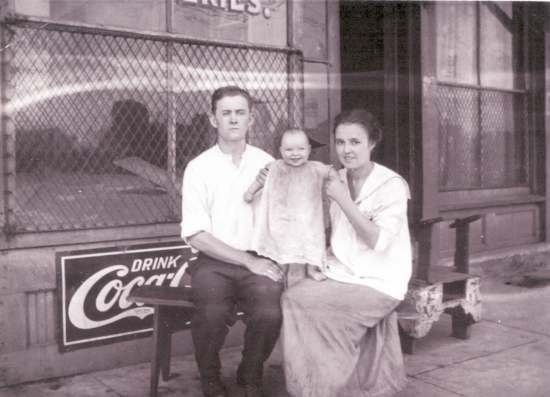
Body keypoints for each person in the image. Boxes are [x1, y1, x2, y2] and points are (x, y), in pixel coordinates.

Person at [282, 109, 412, 397]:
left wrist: (342, 199)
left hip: (381, 278)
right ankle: (313, 385)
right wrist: (318, 260)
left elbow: (377, 242)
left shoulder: (391, 185)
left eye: (355, 142)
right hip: (343, 270)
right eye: (340, 142)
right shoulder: (335, 177)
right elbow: (328, 232)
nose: (346, 150)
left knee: (322, 313)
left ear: (372, 143)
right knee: (294, 296)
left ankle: (327, 388)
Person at [180, 85, 285, 397]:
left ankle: (249, 373)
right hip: (214, 262)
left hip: (259, 258)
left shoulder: (268, 163)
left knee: (270, 312)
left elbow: (281, 218)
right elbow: (196, 234)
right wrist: (247, 260)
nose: (233, 119)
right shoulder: (199, 168)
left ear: (251, 119)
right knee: (211, 313)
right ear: (214, 120)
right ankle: (210, 378)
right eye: (226, 113)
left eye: (240, 113)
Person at [243, 128, 334, 286]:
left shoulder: (315, 168)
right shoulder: (275, 167)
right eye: (289, 150)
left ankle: (312, 268)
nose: (295, 154)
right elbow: (261, 181)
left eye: (301, 149)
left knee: (312, 242)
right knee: (281, 242)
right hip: (283, 216)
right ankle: (281, 267)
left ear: (309, 149)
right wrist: (250, 192)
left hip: (308, 216)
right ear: (280, 150)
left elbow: (331, 172)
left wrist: (337, 181)